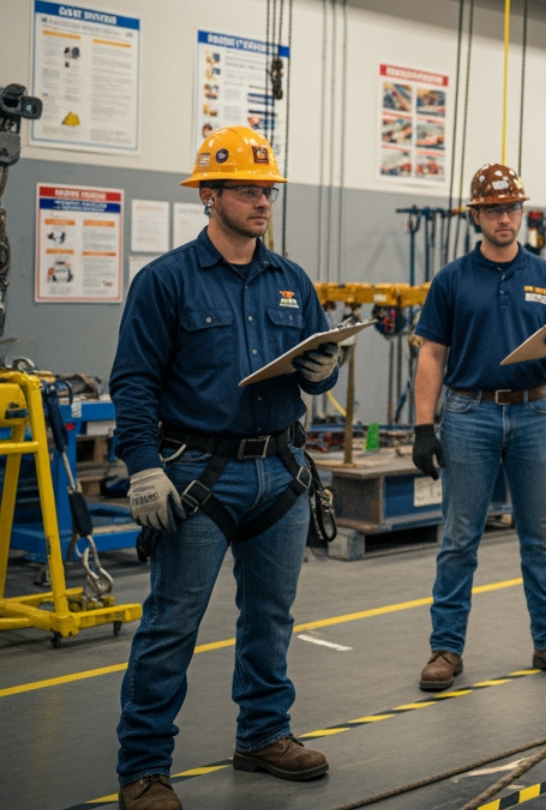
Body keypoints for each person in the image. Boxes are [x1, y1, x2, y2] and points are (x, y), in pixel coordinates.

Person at [112, 126, 340, 810]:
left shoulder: (291, 279)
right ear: (209, 195)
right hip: (198, 477)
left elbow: (314, 364)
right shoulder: (166, 282)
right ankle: (144, 767)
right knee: (171, 623)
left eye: (267, 190)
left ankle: (264, 735)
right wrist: (142, 466)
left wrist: (323, 371)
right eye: (247, 189)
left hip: (281, 474)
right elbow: (132, 382)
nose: (262, 201)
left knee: (271, 616)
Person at [411, 163, 546, 691]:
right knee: (460, 539)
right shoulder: (452, 280)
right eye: (493, 210)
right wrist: (423, 426)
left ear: (521, 213)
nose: (504, 218)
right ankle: (446, 650)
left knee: (540, 539)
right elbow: (432, 354)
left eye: (511, 208)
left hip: (534, 413)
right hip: (469, 415)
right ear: (476, 216)